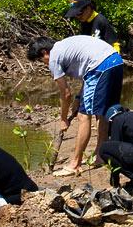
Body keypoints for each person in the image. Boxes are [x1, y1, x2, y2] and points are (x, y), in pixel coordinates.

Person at [27, 35, 124, 174]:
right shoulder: (63, 46)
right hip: (116, 61)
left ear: (44, 52)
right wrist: (79, 98)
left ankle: (75, 164)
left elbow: (66, 94)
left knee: (83, 116)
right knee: (102, 111)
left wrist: (63, 119)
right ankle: (100, 155)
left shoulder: (54, 58)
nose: (43, 63)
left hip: (101, 66)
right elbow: (88, 71)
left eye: (40, 60)